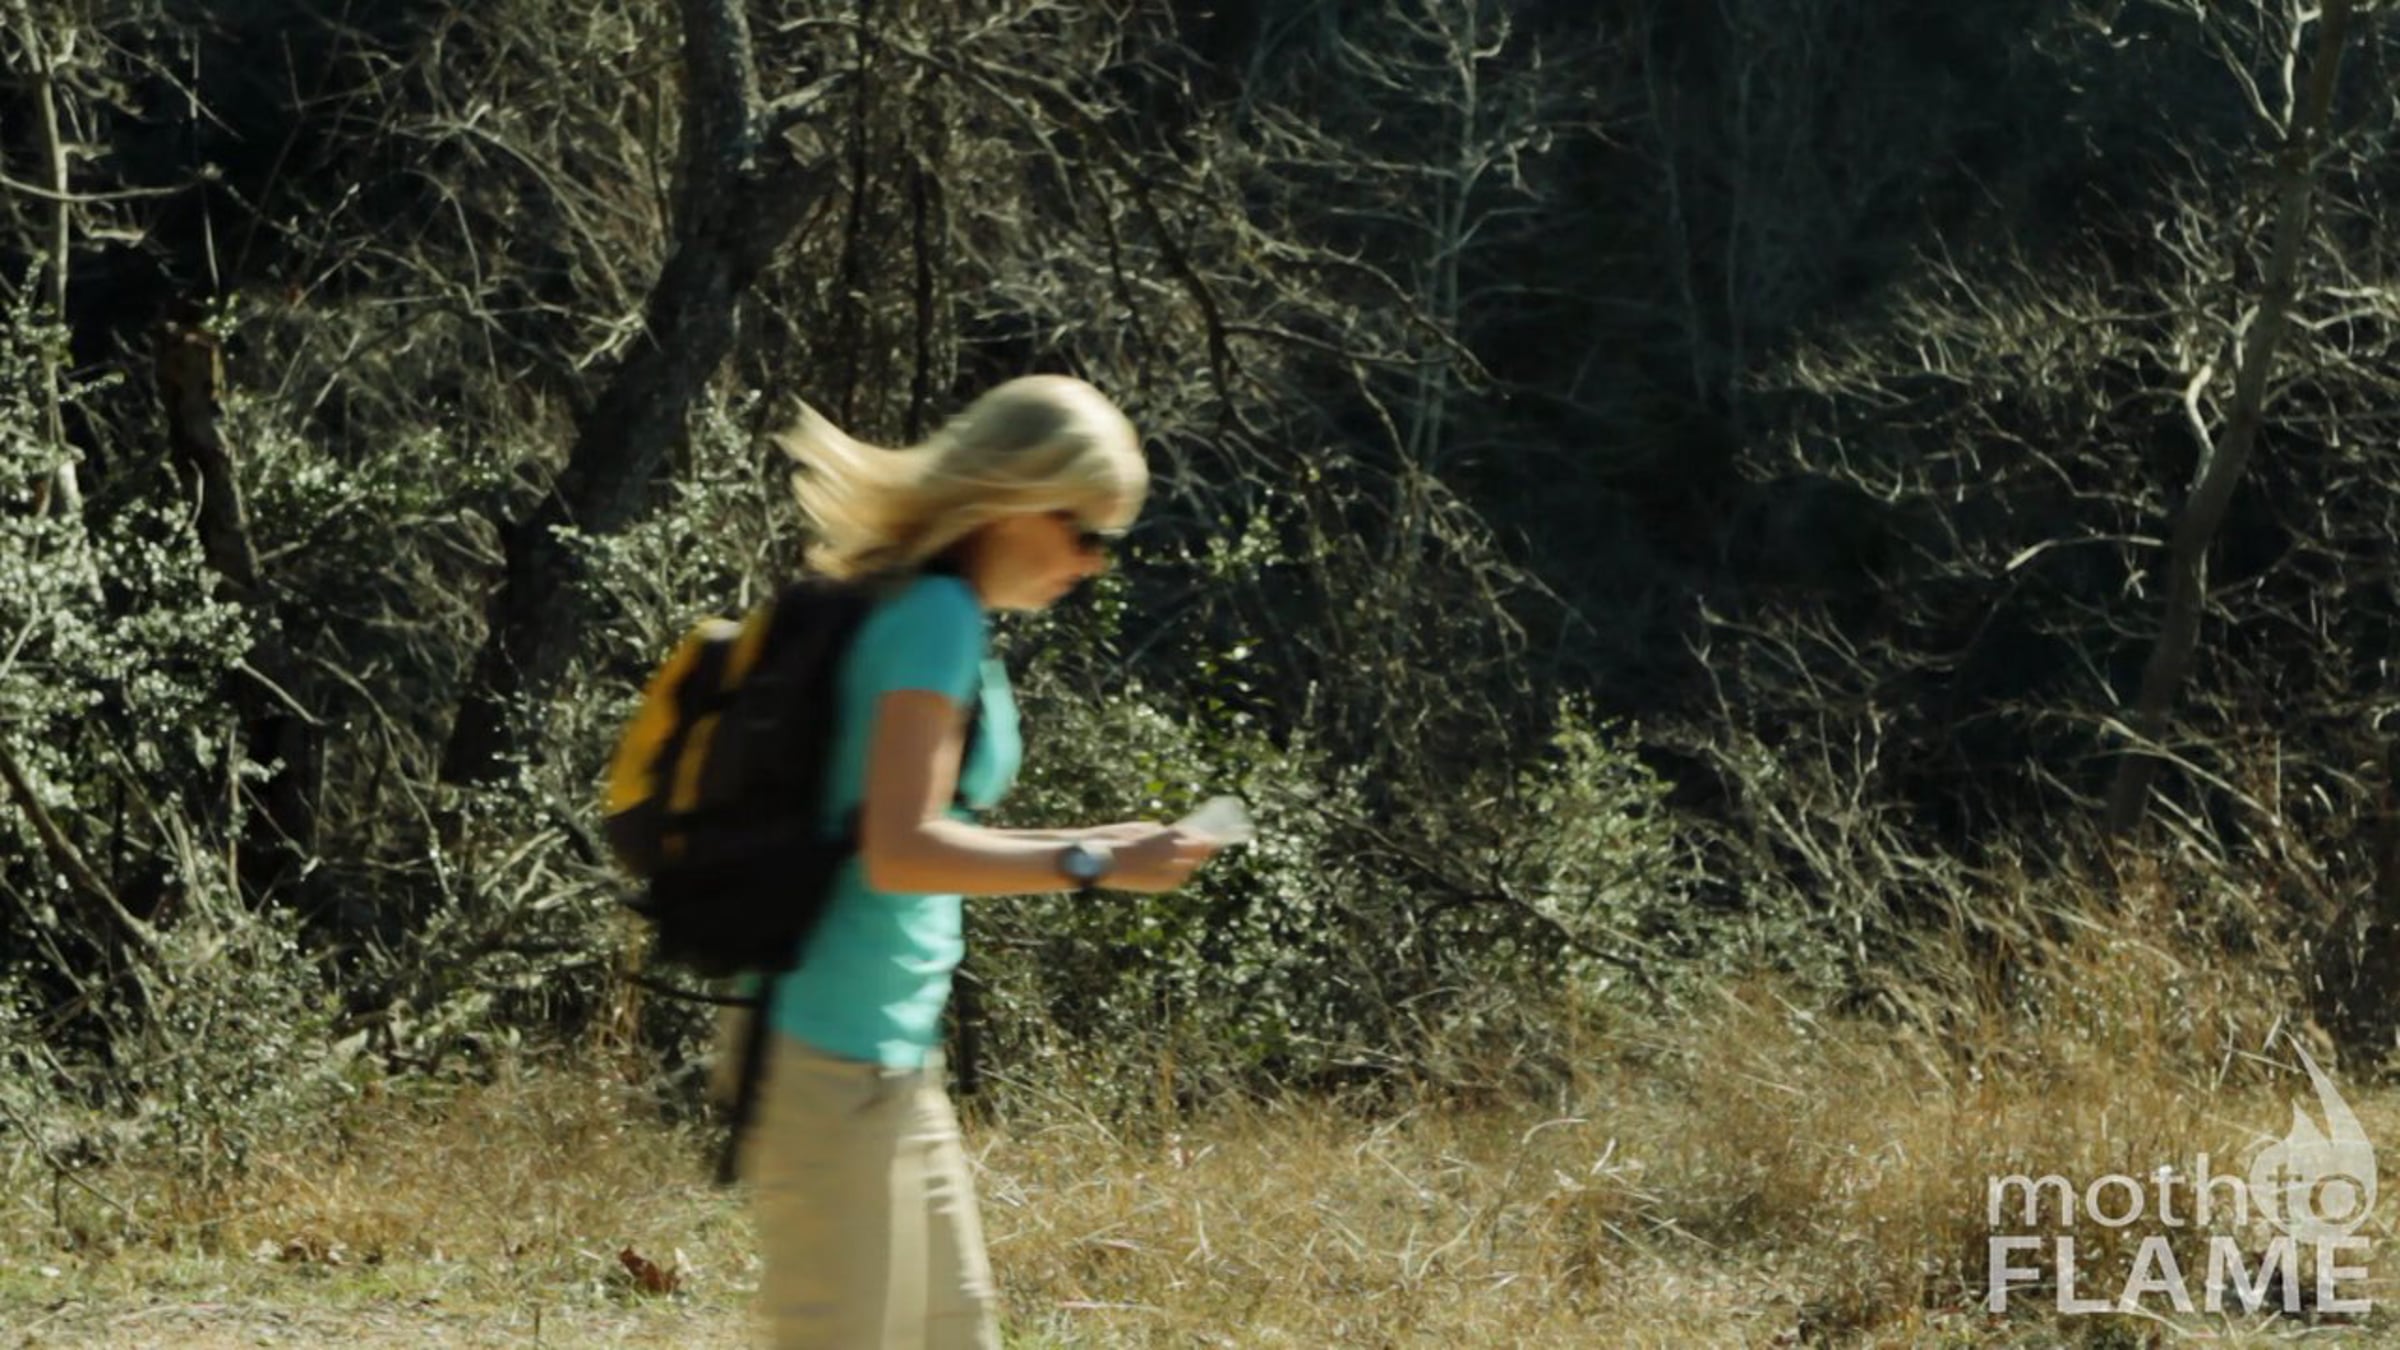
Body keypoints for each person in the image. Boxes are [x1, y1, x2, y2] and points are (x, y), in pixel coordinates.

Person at [744, 374, 1221, 1349]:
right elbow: (901, 850)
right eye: (1082, 531)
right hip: (832, 1056)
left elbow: (899, 829)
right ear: (1013, 501)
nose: (1091, 562)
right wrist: (1092, 862)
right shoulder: (935, 619)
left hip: (882, 1053)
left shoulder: (925, 603)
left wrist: (1105, 848)